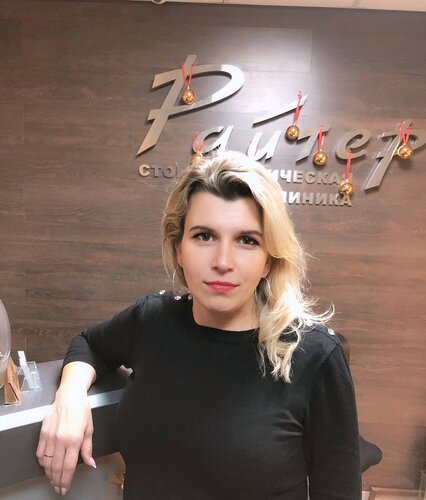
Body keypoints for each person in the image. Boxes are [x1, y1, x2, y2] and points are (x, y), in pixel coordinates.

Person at [36, 151, 361, 499]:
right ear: (179, 248)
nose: (222, 261)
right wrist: (70, 397)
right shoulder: (153, 320)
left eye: (247, 240)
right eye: (204, 236)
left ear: (268, 260)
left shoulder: (315, 355)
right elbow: (90, 344)